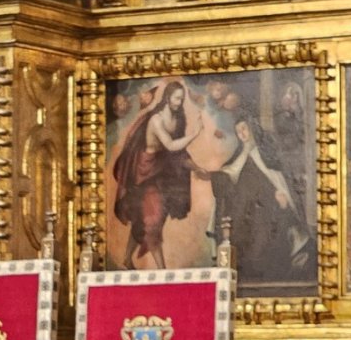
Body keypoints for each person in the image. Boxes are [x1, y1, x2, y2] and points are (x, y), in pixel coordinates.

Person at [211, 114, 315, 286]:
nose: (242, 134)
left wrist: (281, 197)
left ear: (252, 128)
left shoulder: (267, 154)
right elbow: (231, 176)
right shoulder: (242, 156)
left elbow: (277, 180)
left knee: (267, 239)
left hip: (270, 211)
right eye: (238, 131)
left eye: (244, 129)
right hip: (248, 214)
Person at [112, 80, 203, 269]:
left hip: (163, 173)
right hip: (145, 173)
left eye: (182, 99)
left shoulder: (178, 120)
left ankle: (127, 258)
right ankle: (163, 272)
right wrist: (195, 134)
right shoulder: (156, 120)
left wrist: (196, 167)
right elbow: (170, 145)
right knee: (152, 222)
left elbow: (178, 152)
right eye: (177, 98)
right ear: (168, 98)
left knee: (144, 219)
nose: (180, 102)